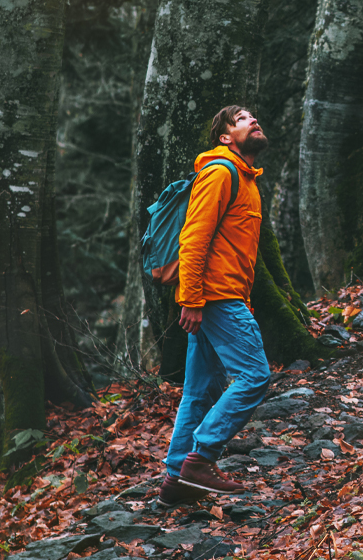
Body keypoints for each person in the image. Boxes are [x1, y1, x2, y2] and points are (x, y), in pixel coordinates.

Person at [158, 105, 272, 507]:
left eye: (253, 117)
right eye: (241, 119)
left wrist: (241, 299)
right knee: (255, 376)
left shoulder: (244, 178)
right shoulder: (221, 172)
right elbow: (194, 239)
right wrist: (190, 299)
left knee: (200, 390)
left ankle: (177, 478)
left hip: (223, 297)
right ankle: (201, 459)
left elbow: (231, 249)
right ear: (225, 137)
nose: (252, 120)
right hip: (213, 297)